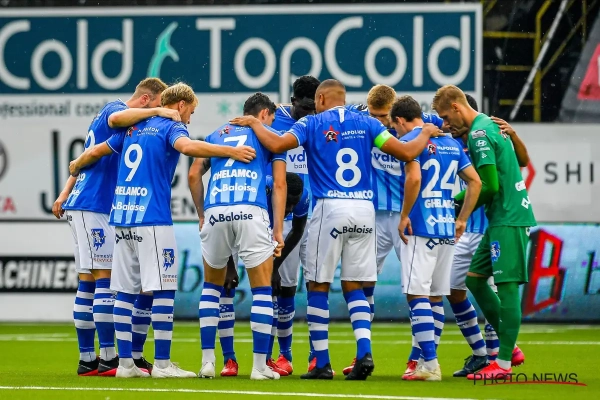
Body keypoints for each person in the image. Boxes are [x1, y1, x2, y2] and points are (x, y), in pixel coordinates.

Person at [230, 79, 443, 380]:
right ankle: (364, 351)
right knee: (355, 285)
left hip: (330, 207)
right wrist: (427, 133)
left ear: (320, 99)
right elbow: (407, 152)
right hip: (365, 210)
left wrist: (254, 122)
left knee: (318, 284)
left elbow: (276, 145)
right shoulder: (369, 123)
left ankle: (321, 362)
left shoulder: (311, 123)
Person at [68, 82, 256, 378]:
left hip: (122, 218)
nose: (189, 119)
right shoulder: (171, 125)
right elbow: (188, 147)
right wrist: (230, 151)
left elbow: (97, 151)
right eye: (190, 112)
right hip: (151, 218)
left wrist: (76, 164)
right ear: (180, 105)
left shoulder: (132, 127)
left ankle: (125, 365)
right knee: (164, 289)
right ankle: (163, 365)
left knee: (124, 292)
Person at [52, 78, 174, 376]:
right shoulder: (115, 110)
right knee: (104, 281)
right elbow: (117, 120)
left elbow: (85, 158)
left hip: (88, 204)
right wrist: (157, 112)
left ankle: (89, 359)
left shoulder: (118, 127)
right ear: (145, 100)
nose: (159, 112)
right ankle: (108, 357)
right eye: (157, 104)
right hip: (93, 205)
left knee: (89, 282)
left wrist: (65, 193)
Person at [432, 85, 537, 380]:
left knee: (507, 287)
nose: (445, 124)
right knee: (475, 280)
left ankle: (502, 364)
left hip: (509, 217)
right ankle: (509, 346)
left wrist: (453, 205)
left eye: (445, 116)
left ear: (456, 107)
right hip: (500, 218)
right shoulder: (488, 126)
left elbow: (488, 186)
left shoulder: (479, 134)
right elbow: (518, 164)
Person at [341, 85, 444, 376]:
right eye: (374, 115)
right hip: (373, 216)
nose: (379, 121)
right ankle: (363, 353)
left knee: (422, 289)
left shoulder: (422, 122)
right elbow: (327, 112)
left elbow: (452, 123)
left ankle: (418, 358)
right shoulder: (359, 117)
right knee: (361, 282)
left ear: (395, 112)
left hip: (406, 218)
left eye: (384, 116)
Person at [188, 155, 308, 377]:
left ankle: (269, 358)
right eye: (287, 202)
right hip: (241, 218)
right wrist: (229, 267)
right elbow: (228, 235)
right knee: (233, 288)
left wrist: (275, 266)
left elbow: (298, 230)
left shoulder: (302, 195)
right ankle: (231, 359)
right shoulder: (263, 190)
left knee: (273, 289)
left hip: (225, 216)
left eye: (294, 203)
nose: (290, 208)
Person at [390, 95, 481, 381]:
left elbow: (414, 178)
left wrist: (405, 215)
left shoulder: (411, 142)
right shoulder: (451, 143)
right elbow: (475, 181)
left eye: (395, 126)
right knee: (435, 297)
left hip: (420, 227)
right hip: (445, 227)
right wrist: (462, 218)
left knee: (416, 294)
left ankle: (429, 364)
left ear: (400, 120)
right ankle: (424, 362)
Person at [196, 93, 286, 381]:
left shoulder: (216, 134)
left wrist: (201, 213)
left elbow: (194, 174)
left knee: (211, 289)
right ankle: (259, 367)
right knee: (261, 290)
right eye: (271, 118)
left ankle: (207, 363)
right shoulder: (271, 137)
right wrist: (278, 229)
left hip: (216, 209)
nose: (271, 123)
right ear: (264, 114)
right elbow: (280, 184)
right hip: (251, 209)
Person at [269, 75, 320, 375]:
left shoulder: (324, 120)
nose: (309, 113)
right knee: (284, 288)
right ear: (293, 100)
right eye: (304, 107)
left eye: (314, 107)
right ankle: (284, 356)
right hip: (285, 215)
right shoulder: (273, 118)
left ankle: (317, 355)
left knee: (316, 284)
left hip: (317, 214)